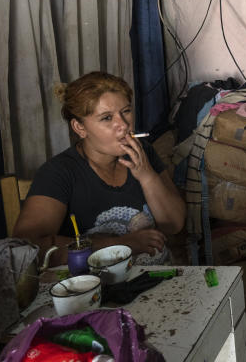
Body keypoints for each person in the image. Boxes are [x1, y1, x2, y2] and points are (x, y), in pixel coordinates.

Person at [14, 72, 186, 267]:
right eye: (106, 118)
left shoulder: (142, 152)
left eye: (126, 111)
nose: (123, 125)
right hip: (93, 288)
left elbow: (174, 224)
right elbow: (28, 248)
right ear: (80, 128)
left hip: (155, 276)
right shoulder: (59, 173)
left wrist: (147, 176)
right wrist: (121, 245)